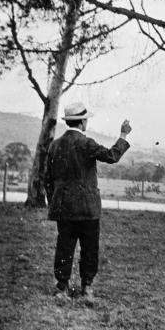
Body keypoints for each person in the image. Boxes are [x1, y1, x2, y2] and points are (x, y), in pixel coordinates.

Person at [45, 101, 131, 302]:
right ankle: (87, 288)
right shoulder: (87, 143)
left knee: (64, 247)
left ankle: (62, 287)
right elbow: (112, 156)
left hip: (63, 208)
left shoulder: (54, 145)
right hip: (87, 209)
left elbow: (48, 179)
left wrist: (54, 202)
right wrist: (124, 135)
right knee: (89, 248)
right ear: (82, 122)